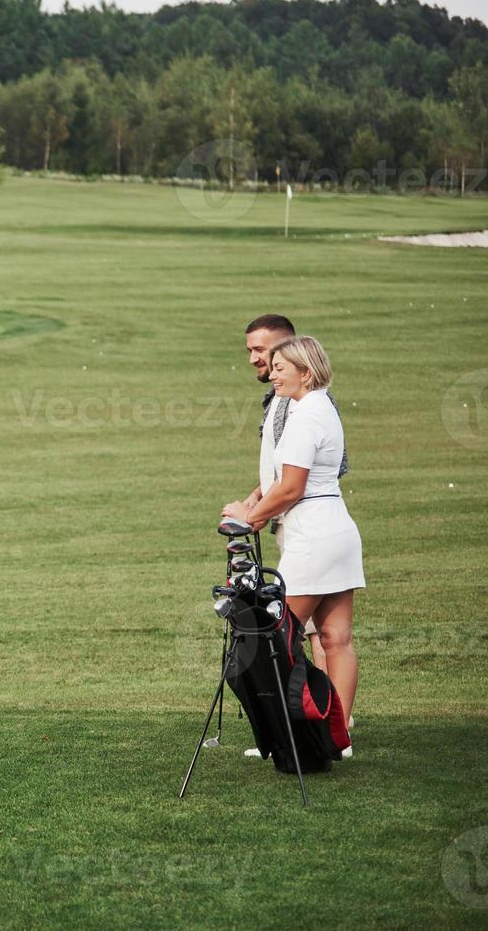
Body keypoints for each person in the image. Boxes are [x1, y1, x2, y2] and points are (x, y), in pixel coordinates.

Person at [223, 336, 363, 750]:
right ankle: (336, 737)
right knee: (336, 637)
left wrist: (248, 519)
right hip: (337, 528)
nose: (274, 374)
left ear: (306, 371)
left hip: (312, 535)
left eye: (282, 367)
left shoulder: (304, 415)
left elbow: (291, 488)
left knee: (277, 635)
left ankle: (291, 736)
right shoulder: (322, 407)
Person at [225, 314, 348, 677]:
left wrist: (253, 515)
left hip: (305, 525)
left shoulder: (301, 406)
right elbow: (283, 470)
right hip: (307, 522)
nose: (255, 359)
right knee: (327, 635)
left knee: (289, 630)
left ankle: (311, 717)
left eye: (262, 351)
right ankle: (333, 726)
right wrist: (255, 499)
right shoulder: (288, 399)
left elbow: (298, 480)